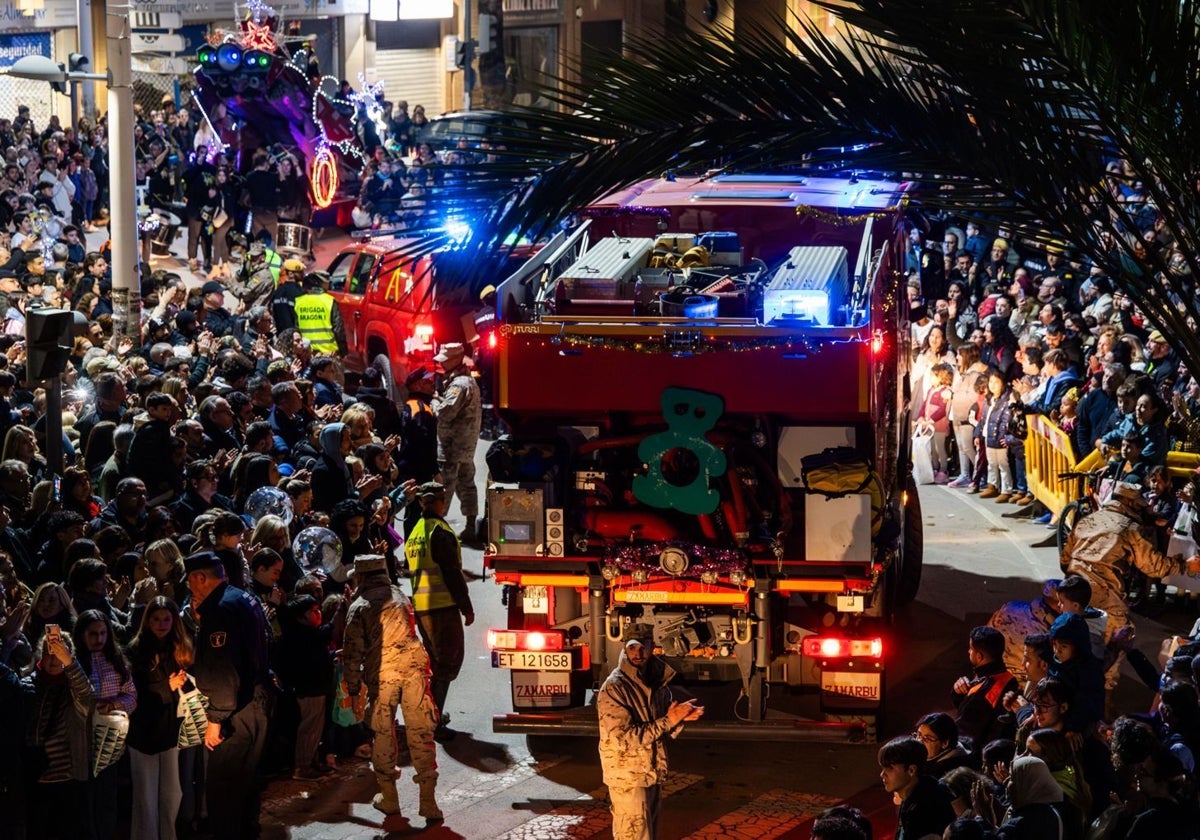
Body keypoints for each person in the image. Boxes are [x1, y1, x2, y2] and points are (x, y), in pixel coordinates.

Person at [1062, 482, 1200, 692]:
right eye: (1138, 505)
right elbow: (1153, 566)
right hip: (1102, 591)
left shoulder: (1088, 520)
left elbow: (1064, 560)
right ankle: (1103, 692)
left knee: (1068, 638)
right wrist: (1185, 565)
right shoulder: (1129, 528)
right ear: (1127, 502)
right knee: (1122, 636)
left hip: (1071, 588)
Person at [340, 553, 441, 821]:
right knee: (421, 733)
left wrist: (351, 687)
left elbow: (352, 652)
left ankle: (389, 798)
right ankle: (428, 803)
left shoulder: (359, 606)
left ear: (361, 576)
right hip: (414, 672)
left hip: (383, 675)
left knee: (383, 735)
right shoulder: (400, 596)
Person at [185, 550, 271, 840]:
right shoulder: (243, 598)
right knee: (246, 784)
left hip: (237, 710)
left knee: (224, 790)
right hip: (257, 701)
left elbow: (224, 672)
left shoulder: (219, 610)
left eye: (190, 582)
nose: (189, 589)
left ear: (200, 578)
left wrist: (215, 719)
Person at [598, 635, 704, 840]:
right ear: (624, 648)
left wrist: (680, 718)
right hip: (627, 778)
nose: (638, 653)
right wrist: (669, 721)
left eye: (643, 647)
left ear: (652, 647)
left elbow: (661, 722)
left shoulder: (654, 680)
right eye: (632, 647)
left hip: (650, 772)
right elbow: (622, 739)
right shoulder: (614, 687)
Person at [404, 481, 474, 742]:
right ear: (439, 502)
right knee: (446, 666)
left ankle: (429, 714)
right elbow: (451, 573)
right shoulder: (439, 532)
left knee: (434, 665)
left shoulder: (416, 531)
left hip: (422, 608)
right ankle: (432, 722)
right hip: (442, 608)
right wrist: (466, 607)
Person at [125, 596, 191, 840]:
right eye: (156, 619)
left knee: (171, 793)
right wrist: (167, 686)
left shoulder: (178, 647)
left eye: (166, 619)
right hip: (144, 734)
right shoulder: (136, 650)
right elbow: (135, 692)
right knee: (146, 795)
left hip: (170, 731)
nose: (161, 624)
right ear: (147, 621)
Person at [431, 343, 481, 543]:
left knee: (445, 489)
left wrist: (434, 400)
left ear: (456, 359)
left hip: (451, 447)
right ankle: (470, 526)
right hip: (465, 447)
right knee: (467, 485)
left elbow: (445, 413)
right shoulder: (468, 381)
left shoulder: (459, 385)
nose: (442, 365)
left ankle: (438, 532)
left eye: (445, 361)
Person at [876, 735, 955, 839]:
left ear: (911, 770)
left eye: (889, 768)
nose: (882, 774)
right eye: (882, 768)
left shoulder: (925, 808)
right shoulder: (912, 795)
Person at [952, 626, 1018, 747]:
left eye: (971, 649)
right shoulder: (1007, 677)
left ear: (979, 657)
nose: (968, 652)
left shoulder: (986, 692)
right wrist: (958, 693)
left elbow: (965, 732)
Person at [294, 272, 346, 356]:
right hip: (329, 352)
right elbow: (338, 329)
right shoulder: (329, 301)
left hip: (307, 352)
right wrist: (343, 351)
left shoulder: (299, 302)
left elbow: (296, 329)